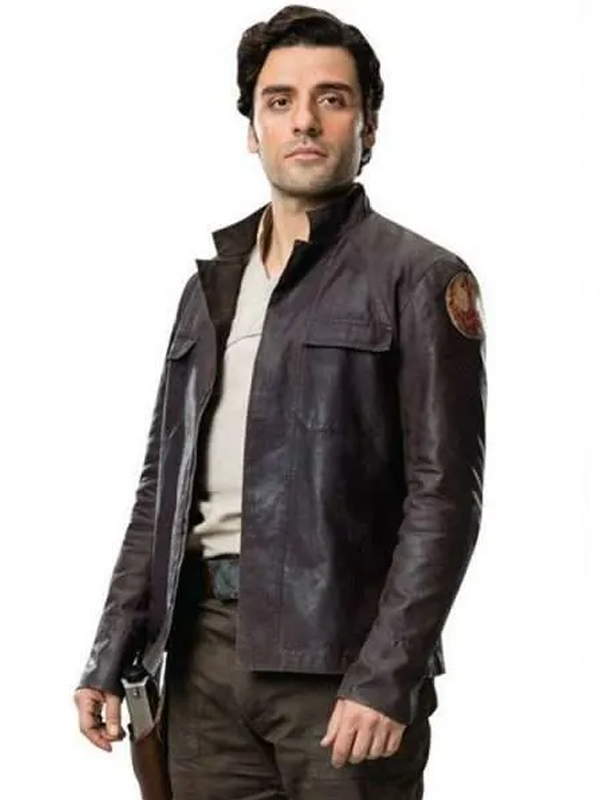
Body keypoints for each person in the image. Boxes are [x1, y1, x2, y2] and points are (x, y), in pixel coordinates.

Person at [74, 5, 486, 799]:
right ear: (252, 128)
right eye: (279, 100)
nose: (304, 120)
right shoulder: (208, 292)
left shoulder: (421, 278)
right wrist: (112, 647)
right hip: (199, 661)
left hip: (340, 667)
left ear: (369, 125)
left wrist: (388, 675)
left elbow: (445, 499)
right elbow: (161, 491)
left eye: (332, 99)